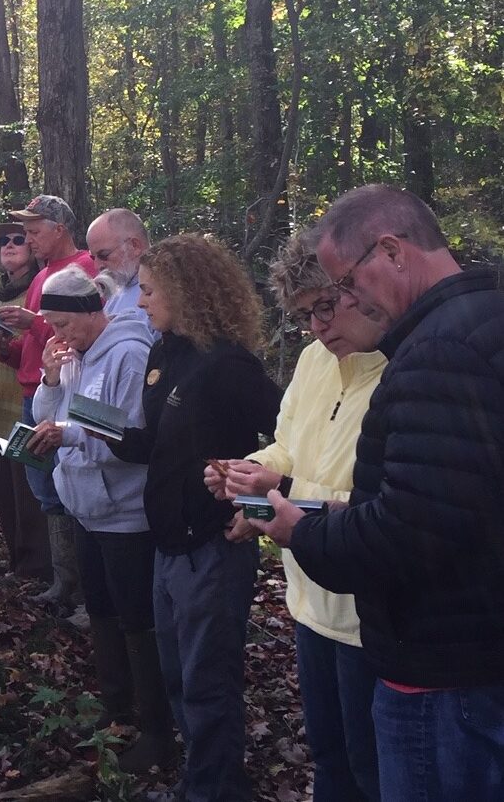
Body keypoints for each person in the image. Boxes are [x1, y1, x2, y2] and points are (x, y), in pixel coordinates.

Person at [246, 185, 504, 800]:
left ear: (390, 251)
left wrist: (298, 527)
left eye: (345, 288)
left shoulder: (433, 352)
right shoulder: (484, 317)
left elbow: (412, 528)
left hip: (442, 665)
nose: (346, 304)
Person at [203, 230, 385, 801]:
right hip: (307, 597)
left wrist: (279, 486)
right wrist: (246, 471)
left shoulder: (401, 372)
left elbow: (377, 503)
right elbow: (286, 445)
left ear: (360, 289)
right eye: (305, 314)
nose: (317, 327)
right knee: (328, 756)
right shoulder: (313, 361)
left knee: (371, 766)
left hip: (369, 613)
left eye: (324, 307)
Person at [103, 234, 282, 802]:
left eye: (150, 291)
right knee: (178, 673)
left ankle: (218, 789)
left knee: (208, 679)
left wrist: (253, 509)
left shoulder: (229, 365)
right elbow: (154, 443)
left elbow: (294, 444)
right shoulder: (165, 352)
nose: (140, 303)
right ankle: (200, 779)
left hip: (213, 544)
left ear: (186, 291)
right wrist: (94, 428)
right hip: (168, 543)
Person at [28, 265, 173, 773]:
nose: (57, 335)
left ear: (92, 313)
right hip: (86, 507)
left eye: (63, 324)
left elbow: (131, 436)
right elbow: (52, 410)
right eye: (50, 325)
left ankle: (157, 727)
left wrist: (67, 434)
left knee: (138, 618)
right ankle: (116, 710)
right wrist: (50, 377)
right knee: (103, 610)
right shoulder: (76, 355)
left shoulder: (129, 354)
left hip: (126, 512)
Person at [0, 195, 96, 612]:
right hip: (33, 393)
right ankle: (63, 581)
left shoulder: (86, 268)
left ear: (60, 229)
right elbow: (31, 350)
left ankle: (84, 589)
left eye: (36, 231)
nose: (30, 240)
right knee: (45, 488)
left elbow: (79, 332)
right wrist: (1, 343)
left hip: (65, 393)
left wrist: (32, 322)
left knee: (69, 486)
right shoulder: (41, 277)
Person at [0, 223, 49, 580]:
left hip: (24, 405)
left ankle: (36, 570)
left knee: (29, 496)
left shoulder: (40, 289)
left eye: (19, 239)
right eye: (2, 241)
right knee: (4, 492)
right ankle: (16, 560)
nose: (9, 246)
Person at [85, 208, 151, 324]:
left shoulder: (165, 290)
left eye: (103, 255)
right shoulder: (118, 290)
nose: (97, 266)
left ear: (134, 246)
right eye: (93, 257)